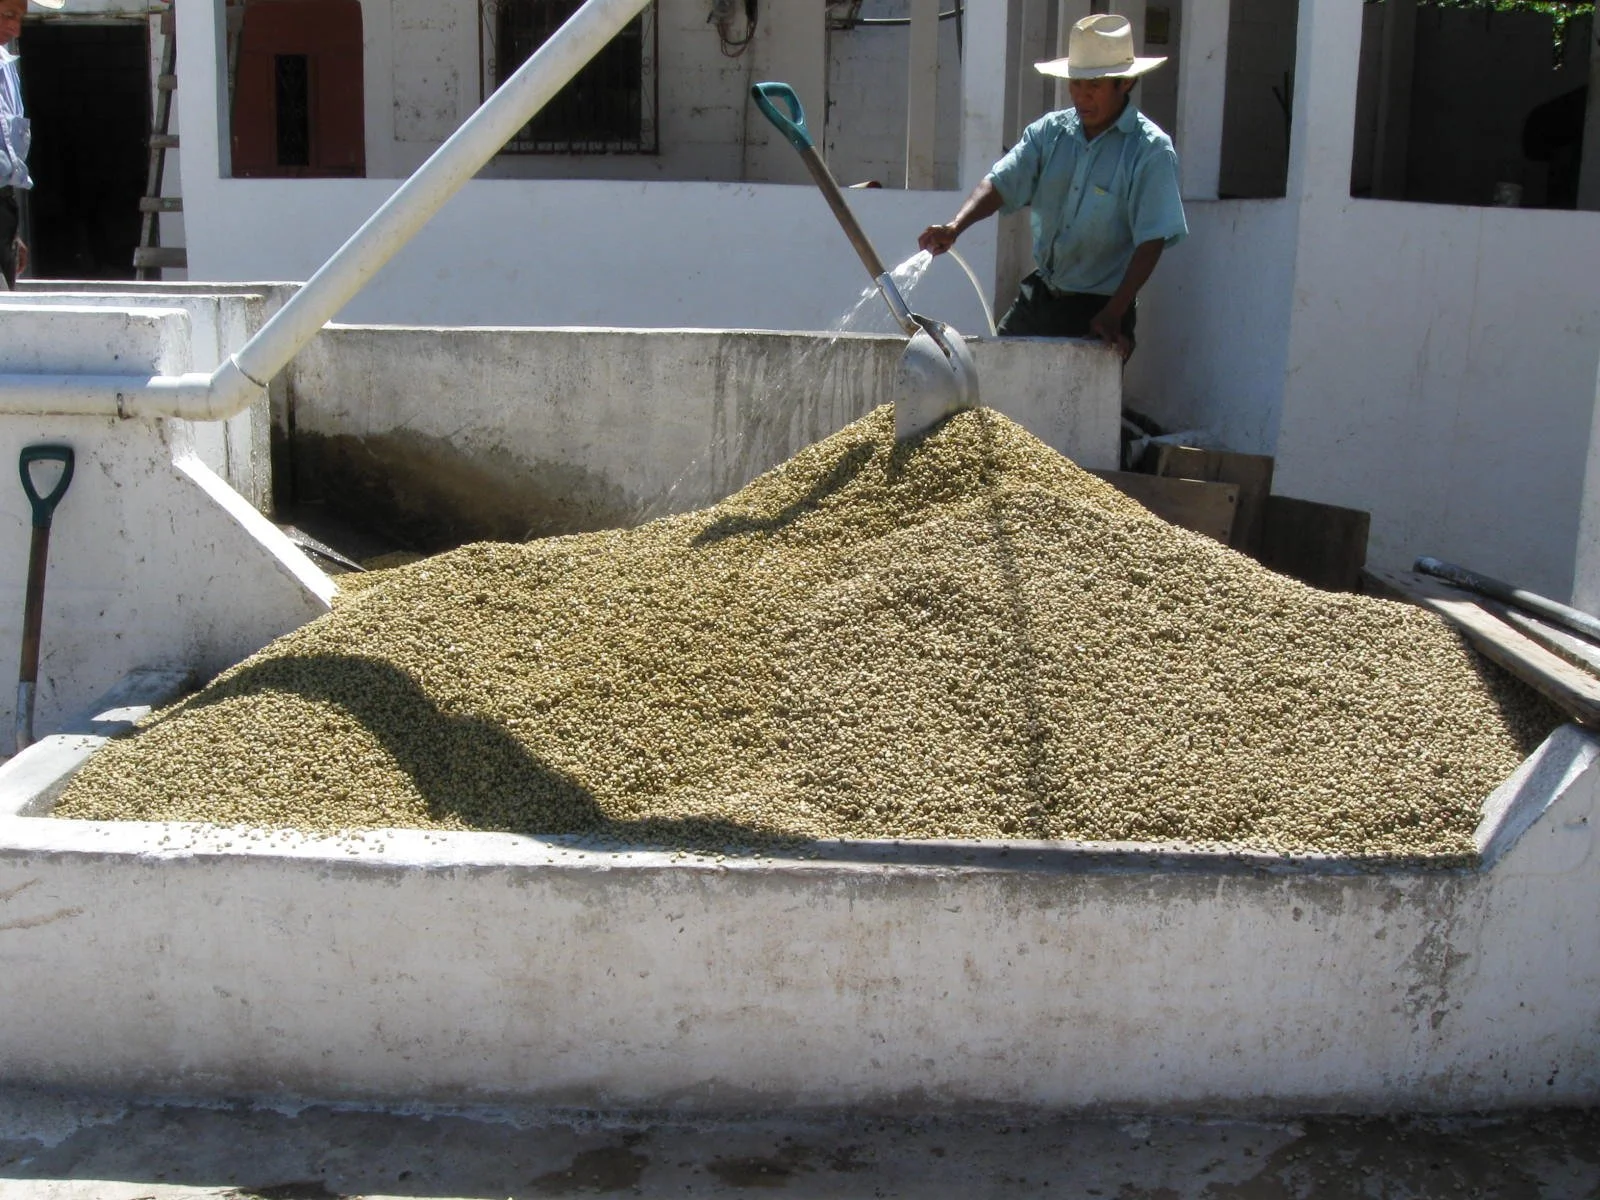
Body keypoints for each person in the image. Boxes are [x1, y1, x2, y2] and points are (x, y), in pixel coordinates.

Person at [918, 13, 1186, 360]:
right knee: (993, 378)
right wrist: (956, 226)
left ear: (1126, 83)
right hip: (1041, 295)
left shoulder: (1149, 150)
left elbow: (1152, 239)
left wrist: (1115, 312)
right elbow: (1001, 182)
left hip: (1102, 307)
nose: (1082, 96)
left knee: (1075, 410)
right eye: (1076, 84)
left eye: (1095, 86)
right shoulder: (1050, 133)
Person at [0, 0, 63, 290]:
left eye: (20, 18)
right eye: (8, 15)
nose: (15, 28)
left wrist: (10, 233)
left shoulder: (7, 68)